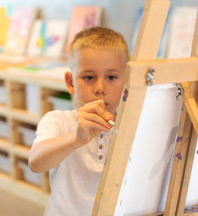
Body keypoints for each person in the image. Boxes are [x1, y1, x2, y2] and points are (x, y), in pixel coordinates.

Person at [28, 27, 129, 216]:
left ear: (126, 80)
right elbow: (35, 163)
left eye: (112, 77)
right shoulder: (58, 121)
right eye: (89, 77)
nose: (100, 88)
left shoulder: (133, 125)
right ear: (71, 82)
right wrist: (76, 138)